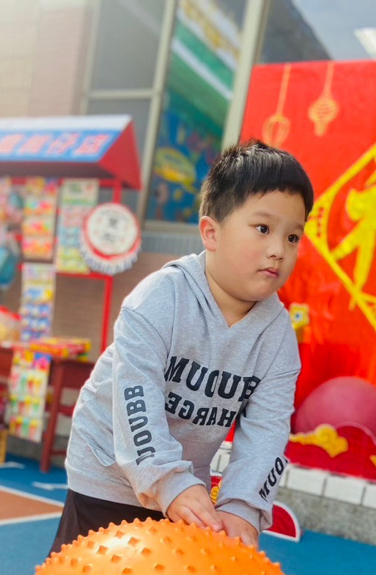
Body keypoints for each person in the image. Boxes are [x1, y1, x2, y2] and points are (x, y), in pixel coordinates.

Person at [49, 139, 314, 553]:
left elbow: (267, 430)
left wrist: (242, 506)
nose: (278, 250)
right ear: (211, 232)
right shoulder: (160, 299)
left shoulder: (278, 337)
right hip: (107, 473)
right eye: (263, 229)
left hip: (185, 485)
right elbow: (136, 399)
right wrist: (168, 480)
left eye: (293, 236)